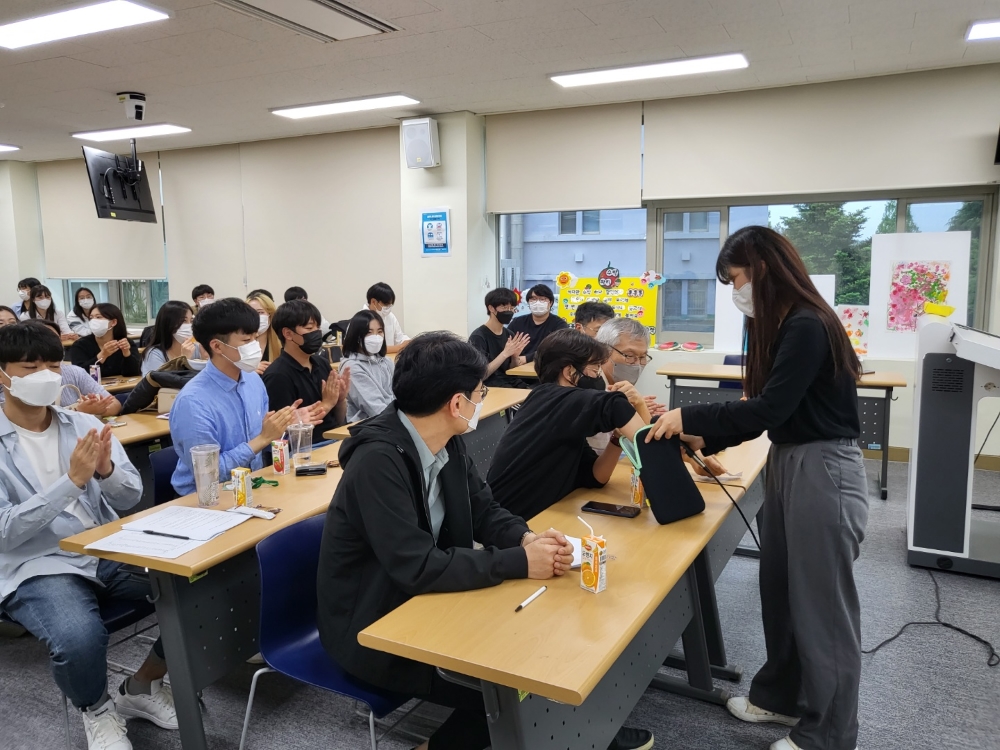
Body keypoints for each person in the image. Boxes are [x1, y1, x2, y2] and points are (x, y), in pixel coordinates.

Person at [645, 226, 868, 750]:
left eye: (736, 279)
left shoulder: (808, 324)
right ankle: (781, 698)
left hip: (823, 467)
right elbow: (767, 414)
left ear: (763, 269)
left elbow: (770, 409)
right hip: (789, 459)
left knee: (821, 607)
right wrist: (703, 435)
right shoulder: (786, 325)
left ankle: (827, 736)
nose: (735, 292)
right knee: (781, 591)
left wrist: (687, 416)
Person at [317, 332, 575, 750]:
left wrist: (526, 538)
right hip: (374, 626)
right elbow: (416, 566)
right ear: (457, 403)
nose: (481, 400)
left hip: (423, 602)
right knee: (516, 689)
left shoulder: (446, 441)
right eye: (479, 392)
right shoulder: (377, 462)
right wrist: (520, 562)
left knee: (539, 653)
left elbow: (483, 510)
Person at [0, 323, 177, 750]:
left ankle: (142, 685)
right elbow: (5, 533)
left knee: (194, 589)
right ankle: (96, 709)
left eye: (53, 365)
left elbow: (130, 495)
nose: (46, 376)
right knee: (79, 638)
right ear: (2, 374)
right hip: (37, 564)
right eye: (30, 368)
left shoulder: (81, 423)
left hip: (102, 547)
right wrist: (72, 482)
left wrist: (106, 471)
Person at [486, 328, 650, 523]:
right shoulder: (554, 400)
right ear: (569, 372)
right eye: (595, 368)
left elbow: (596, 476)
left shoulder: (560, 410)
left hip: (535, 517)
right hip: (511, 523)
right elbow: (614, 405)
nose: (598, 376)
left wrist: (617, 438)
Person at [169, 298, 300, 496]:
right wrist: (263, 438)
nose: (255, 346)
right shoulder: (193, 402)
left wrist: (286, 426)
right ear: (217, 346)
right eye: (247, 341)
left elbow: (264, 444)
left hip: (252, 487)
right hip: (206, 499)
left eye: (255, 338)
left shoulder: (253, 380)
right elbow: (211, 474)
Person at [263, 300, 350, 443]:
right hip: (307, 448)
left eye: (318, 327)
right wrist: (327, 403)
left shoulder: (321, 363)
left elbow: (338, 421)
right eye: (309, 328)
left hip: (334, 439)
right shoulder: (277, 375)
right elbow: (284, 434)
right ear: (288, 334)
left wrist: (340, 400)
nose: (316, 332)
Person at [8, 321, 122, 417]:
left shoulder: (75, 373)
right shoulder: (11, 381)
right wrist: (78, 412)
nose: (45, 372)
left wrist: (98, 409)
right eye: (31, 367)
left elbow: (114, 404)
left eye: (54, 339)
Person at [468, 287, 530, 388]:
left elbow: (511, 371)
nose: (509, 311)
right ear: (491, 308)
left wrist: (514, 357)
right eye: (504, 307)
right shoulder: (478, 337)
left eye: (511, 308)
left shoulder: (509, 334)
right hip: (492, 386)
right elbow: (481, 375)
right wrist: (505, 354)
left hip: (512, 382)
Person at [339, 310, 394, 422]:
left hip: (391, 418)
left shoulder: (386, 361)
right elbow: (375, 408)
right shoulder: (352, 367)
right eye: (369, 332)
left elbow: (400, 393)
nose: (376, 337)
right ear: (357, 336)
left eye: (379, 332)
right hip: (369, 424)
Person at [69, 304, 140, 378]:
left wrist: (127, 354)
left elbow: (134, 373)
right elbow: (80, 374)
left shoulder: (125, 343)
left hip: (122, 385)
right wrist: (102, 355)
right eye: (91, 318)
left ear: (113, 322)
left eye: (98, 317)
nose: (93, 321)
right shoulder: (80, 345)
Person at [506, 283, 568, 362]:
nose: (537, 303)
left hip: (546, 365)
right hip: (517, 364)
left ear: (551, 303)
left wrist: (527, 358)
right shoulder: (517, 322)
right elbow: (506, 344)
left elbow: (558, 349)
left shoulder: (559, 324)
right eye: (533, 299)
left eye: (542, 299)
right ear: (528, 303)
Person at [141, 301, 201, 375]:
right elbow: (163, 381)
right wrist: (183, 360)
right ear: (168, 323)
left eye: (191, 320)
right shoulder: (154, 354)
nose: (189, 325)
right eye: (183, 321)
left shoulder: (195, 348)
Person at [363, 282, 410, 353]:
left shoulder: (390, 316)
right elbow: (370, 348)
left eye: (390, 305)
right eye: (386, 305)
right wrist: (399, 347)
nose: (388, 308)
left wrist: (409, 343)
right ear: (373, 302)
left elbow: (399, 338)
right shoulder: (361, 319)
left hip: (389, 358)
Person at [246, 292, 281, 374]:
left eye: (260, 312)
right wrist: (249, 371)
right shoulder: (238, 344)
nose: (255, 317)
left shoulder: (281, 343)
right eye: (251, 313)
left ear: (270, 315)